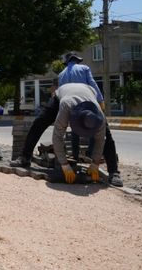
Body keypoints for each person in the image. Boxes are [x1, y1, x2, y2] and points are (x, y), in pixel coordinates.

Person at [11, 52, 123, 187]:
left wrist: (95, 163)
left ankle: (25, 157)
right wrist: (101, 101)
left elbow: (98, 137)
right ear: (77, 61)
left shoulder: (61, 74)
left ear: (66, 62)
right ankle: (113, 172)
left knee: (39, 123)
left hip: (81, 101)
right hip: (66, 99)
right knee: (107, 135)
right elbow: (58, 134)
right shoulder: (85, 68)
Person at [51, 83, 105, 184]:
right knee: (43, 119)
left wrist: (95, 163)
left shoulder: (100, 116)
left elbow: (100, 140)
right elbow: (57, 136)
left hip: (88, 90)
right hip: (63, 91)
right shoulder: (66, 106)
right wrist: (65, 165)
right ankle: (25, 155)